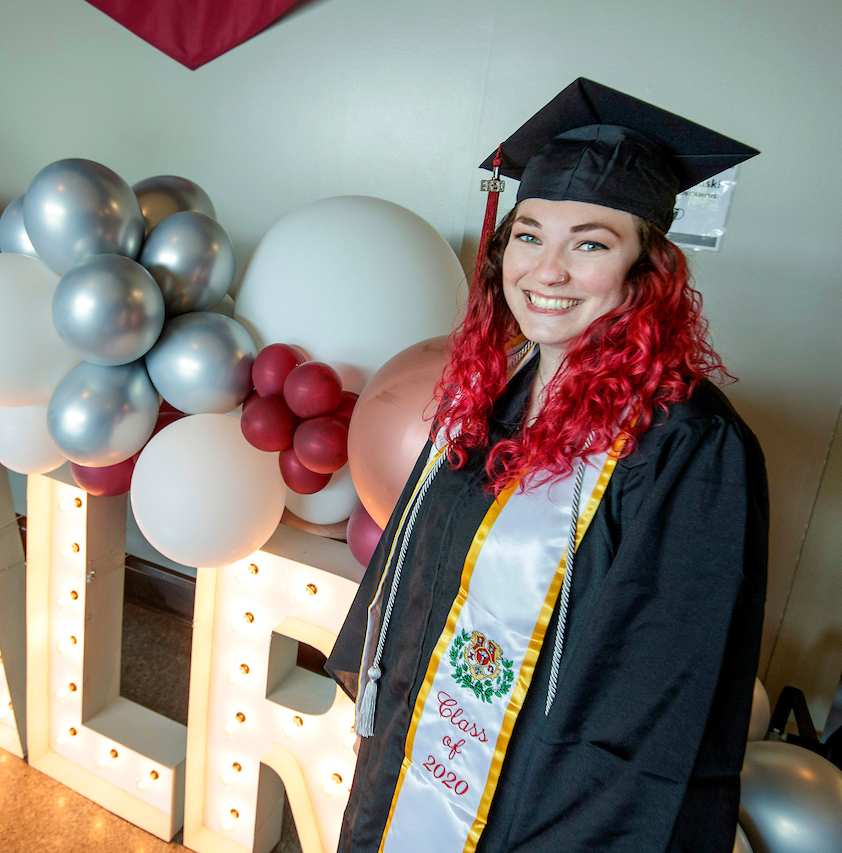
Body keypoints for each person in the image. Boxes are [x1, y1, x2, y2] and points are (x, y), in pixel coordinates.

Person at [325, 79, 768, 852]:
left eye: (590, 243)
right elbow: (413, 581)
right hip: (407, 771)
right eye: (529, 235)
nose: (548, 271)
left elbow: (657, 700)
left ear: (647, 270)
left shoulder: (689, 449)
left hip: (541, 815)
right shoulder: (490, 393)